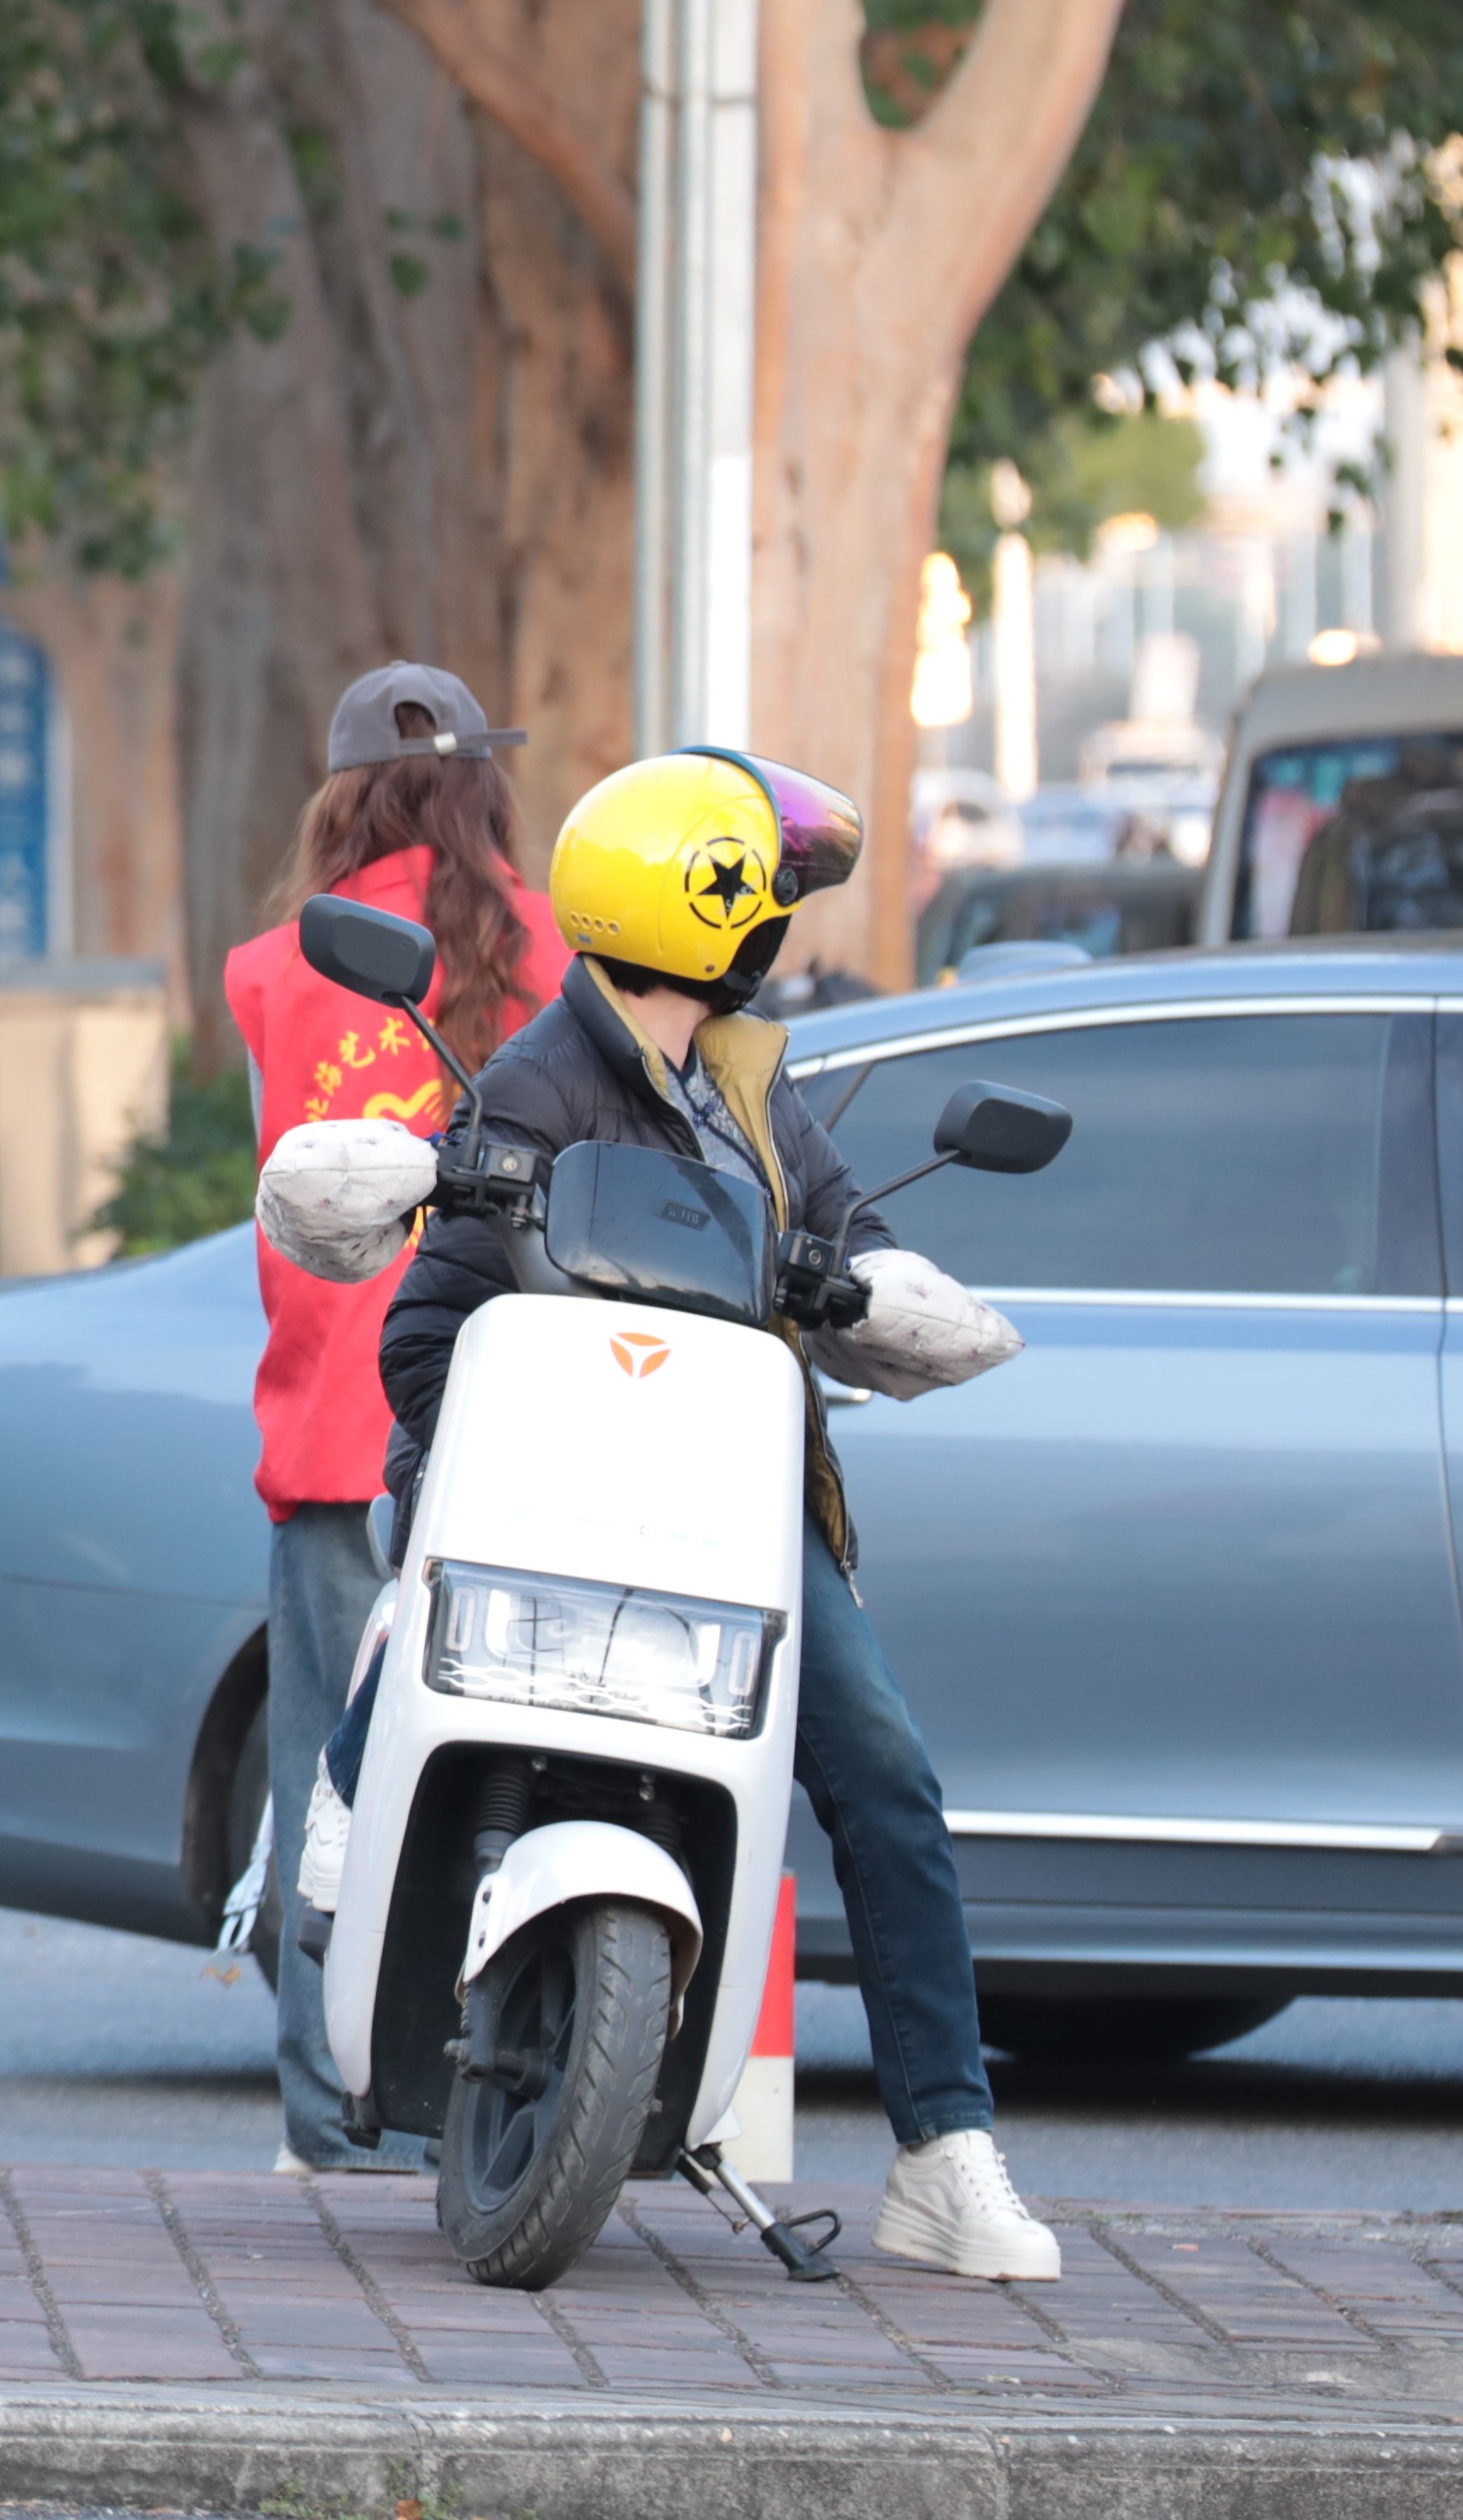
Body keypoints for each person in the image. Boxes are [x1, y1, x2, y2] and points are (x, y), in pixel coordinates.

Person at [356, 745, 1066, 2283]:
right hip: (554, 1512)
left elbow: (845, 1230)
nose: (780, 921)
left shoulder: (749, 1084)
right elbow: (423, 1344)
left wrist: (877, 1291)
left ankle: (947, 2151)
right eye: (765, 894)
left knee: (885, 1771)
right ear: (706, 907)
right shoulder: (536, 1085)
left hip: (729, 1513)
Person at [216, 660, 569, 2175]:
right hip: (515, 1431)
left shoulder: (270, 971)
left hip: (335, 1427)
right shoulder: (564, 956)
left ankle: (324, 2122)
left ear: (342, 798)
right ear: (487, 788)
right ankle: (485, 2107)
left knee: (326, 1783)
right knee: (504, 1776)